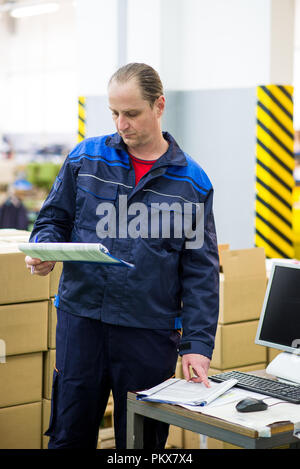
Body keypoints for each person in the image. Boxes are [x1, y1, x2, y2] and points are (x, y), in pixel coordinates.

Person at [25, 63, 219, 449]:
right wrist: (43, 249)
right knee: (68, 435)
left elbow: (201, 272)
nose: (121, 124)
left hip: (147, 331)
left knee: (143, 442)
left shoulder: (191, 183)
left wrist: (197, 346)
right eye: (114, 113)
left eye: (131, 113)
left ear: (158, 105)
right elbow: (52, 219)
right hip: (82, 323)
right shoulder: (86, 159)